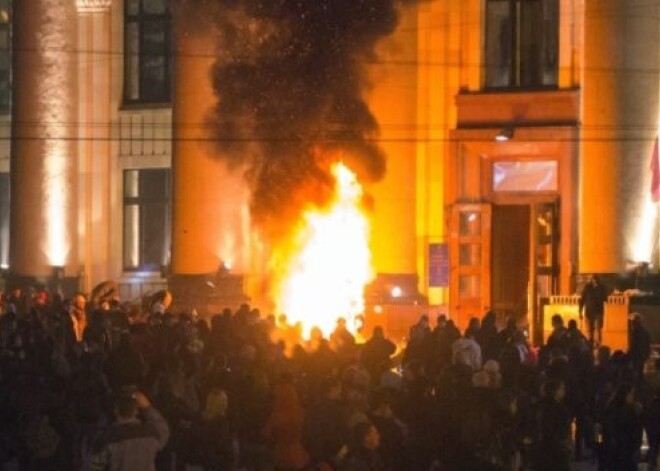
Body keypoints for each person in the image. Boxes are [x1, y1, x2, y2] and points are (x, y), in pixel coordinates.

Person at [86, 390, 169, 471]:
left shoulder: (108, 437)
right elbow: (163, 431)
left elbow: (94, 465)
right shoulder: (150, 433)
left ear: (116, 410)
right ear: (136, 411)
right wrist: (147, 407)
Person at [579, 274, 608, 348]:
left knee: (597, 329)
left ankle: (598, 343)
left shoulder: (601, 288)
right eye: (593, 279)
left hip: (598, 312)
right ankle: (591, 343)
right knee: (590, 330)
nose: (594, 281)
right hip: (589, 312)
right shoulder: (587, 288)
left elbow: (605, 298)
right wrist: (580, 311)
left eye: (595, 279)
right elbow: (582, 300)